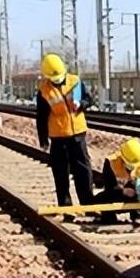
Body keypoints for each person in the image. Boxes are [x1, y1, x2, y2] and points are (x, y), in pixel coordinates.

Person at [36, 53, 94, 209]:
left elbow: (90, 100)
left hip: (77, 135)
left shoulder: (75, 82)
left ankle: (88, 205)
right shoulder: (44, 91)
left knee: (83, 171)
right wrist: (43, 139)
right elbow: (41, 117)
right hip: (58, 137)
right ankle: (66, 206)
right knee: (60, 174)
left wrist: (81, 104)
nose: (57, 80)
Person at [95, 138, 140, 225]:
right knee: (101, 198)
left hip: (136, 196)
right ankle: (109, 218)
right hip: (118, 195)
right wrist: (122, 192)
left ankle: (137, 215)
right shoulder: (111, 162)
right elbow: (109, 187)